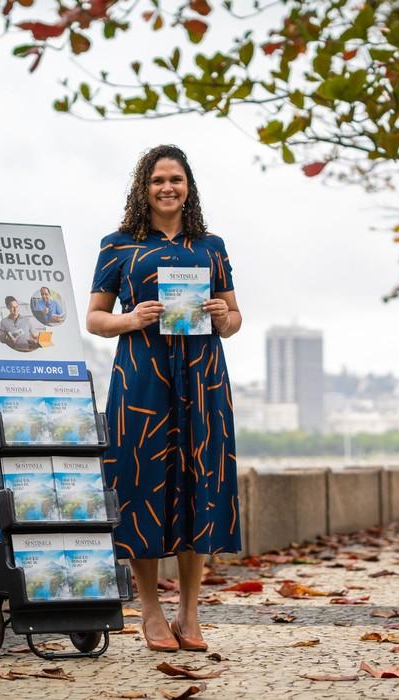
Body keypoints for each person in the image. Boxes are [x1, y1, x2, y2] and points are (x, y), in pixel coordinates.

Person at [86, 144, 242, 653]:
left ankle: (190, 611)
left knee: (200, 486)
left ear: (188, 186)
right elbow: (95, 319)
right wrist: (132, 319)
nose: (167, 188)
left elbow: (236, 321)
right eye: (157, 180)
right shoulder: (118, 246)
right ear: (143, 187)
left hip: (202, 380)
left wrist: (222, 314)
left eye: (176, 179)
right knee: (143, 486)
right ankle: (150, 609)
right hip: (142, 383)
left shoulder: (211, 246)